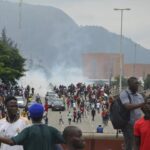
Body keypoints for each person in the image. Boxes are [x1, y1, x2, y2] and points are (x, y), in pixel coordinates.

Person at [0, 103, 64, 150]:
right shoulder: (52, 130)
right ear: (43, 115)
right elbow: (63, 140)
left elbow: (11, 142)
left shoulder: (27, 131)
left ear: (30, 116)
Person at [120, 77, 146, 150]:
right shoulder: (124, 93)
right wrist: (143, 104)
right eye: (135, 83)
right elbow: (127, 106)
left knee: (138, 145)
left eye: (138, 83)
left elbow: (144, 109)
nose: (137, 85)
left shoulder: (140, 96)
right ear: (129, 84)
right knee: (129, 145)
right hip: (129, 124)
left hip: (139, 125)